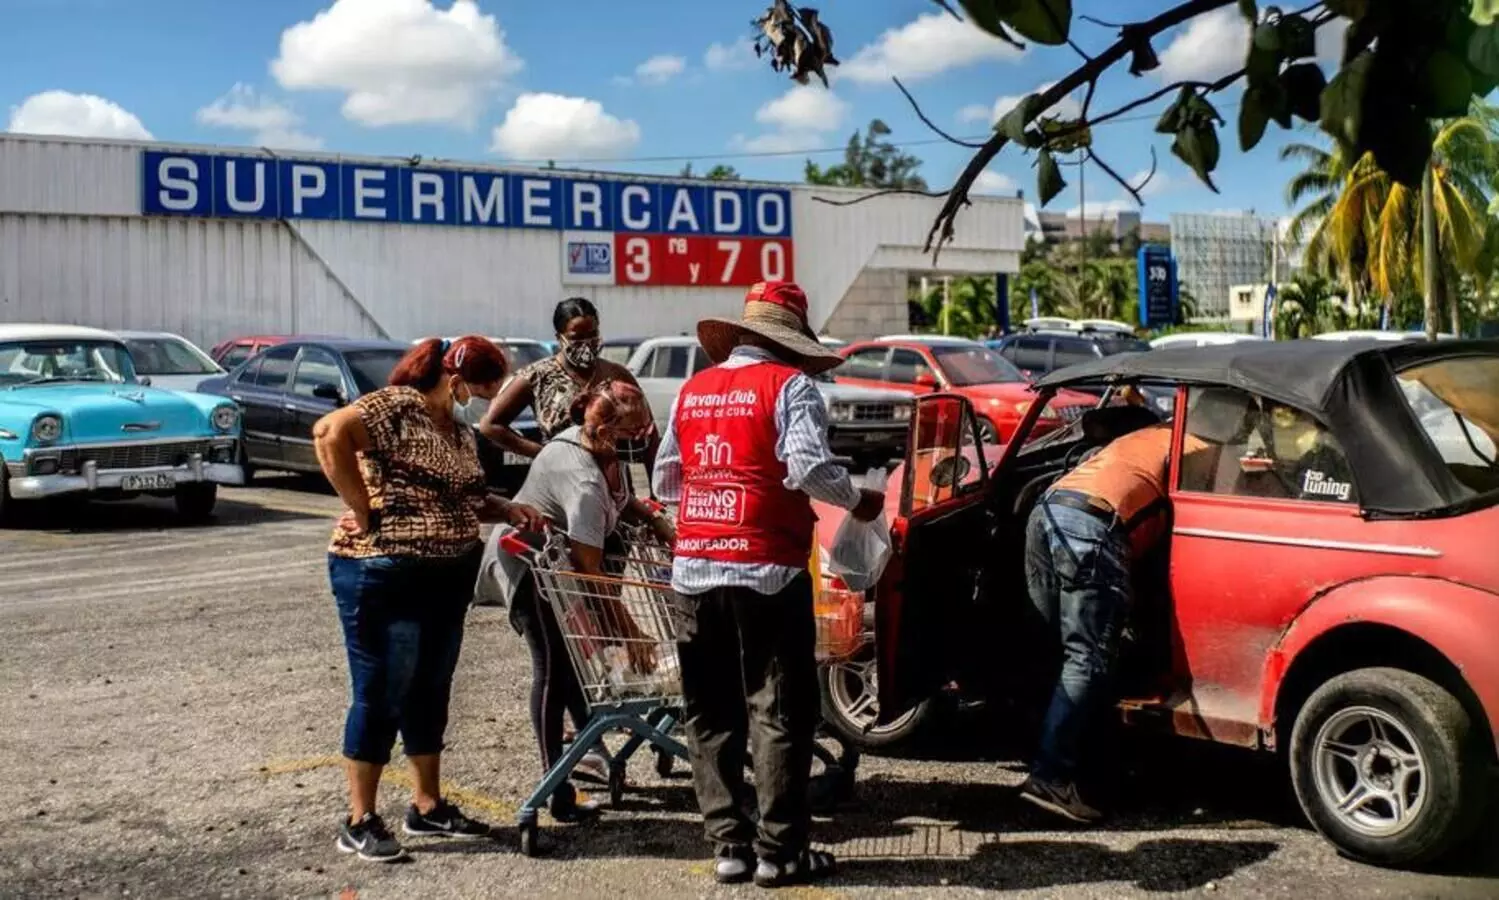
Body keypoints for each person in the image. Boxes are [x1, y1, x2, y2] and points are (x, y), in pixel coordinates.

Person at [653, 281, 884, 888]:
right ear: (787, 341)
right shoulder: (791, 386)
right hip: (766, 566)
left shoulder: (693, 390)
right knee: (778, 708)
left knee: (709, 708)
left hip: (694, 569)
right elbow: (808, 468)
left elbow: (667, 480)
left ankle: (729, 844)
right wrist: (858, 501)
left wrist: (715, 492)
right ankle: (780, 851)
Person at [315, 336, 547, 863]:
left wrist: (505, 508)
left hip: (446, 576)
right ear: (456, 378)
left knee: (430, 688)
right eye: (484, 389)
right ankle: (359, 818)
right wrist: (364, 509)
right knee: (381, 690)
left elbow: (461, 497)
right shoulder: (397, 406)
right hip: (385, 572)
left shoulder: (460, 432)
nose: (486, 401)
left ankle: (427, 804)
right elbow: (329, 435)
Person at [479, 380, 675, 822]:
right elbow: (592, 575)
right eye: (630, 435)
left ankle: (583, 759)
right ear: (602, 426)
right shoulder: (583, 478)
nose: (634, 443)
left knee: (572, 673)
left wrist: (655, 521)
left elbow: (621, 504)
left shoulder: (602, 452)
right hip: (533, 569)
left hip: (560, 564)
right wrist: (634, 635)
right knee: (553, 669)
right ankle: (555, 787)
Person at [1020, 404, 1211, 825]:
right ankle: (1050, 775)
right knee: (1086, 660)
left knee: (1055, 651)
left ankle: (1059, 757)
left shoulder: (1135, 441)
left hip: (1047, 511)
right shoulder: (1196, 447)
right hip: (1093, 529)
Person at [479, 297, 656, 467]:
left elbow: (649, 432)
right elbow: (490, 425)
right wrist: (541, 453)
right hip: (561, 482)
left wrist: (656, 488)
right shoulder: (538, 376)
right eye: (576, 338)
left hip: (612, 484)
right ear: (559, 338)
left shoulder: (616, 374)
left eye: (592, 334)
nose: (586, 344)